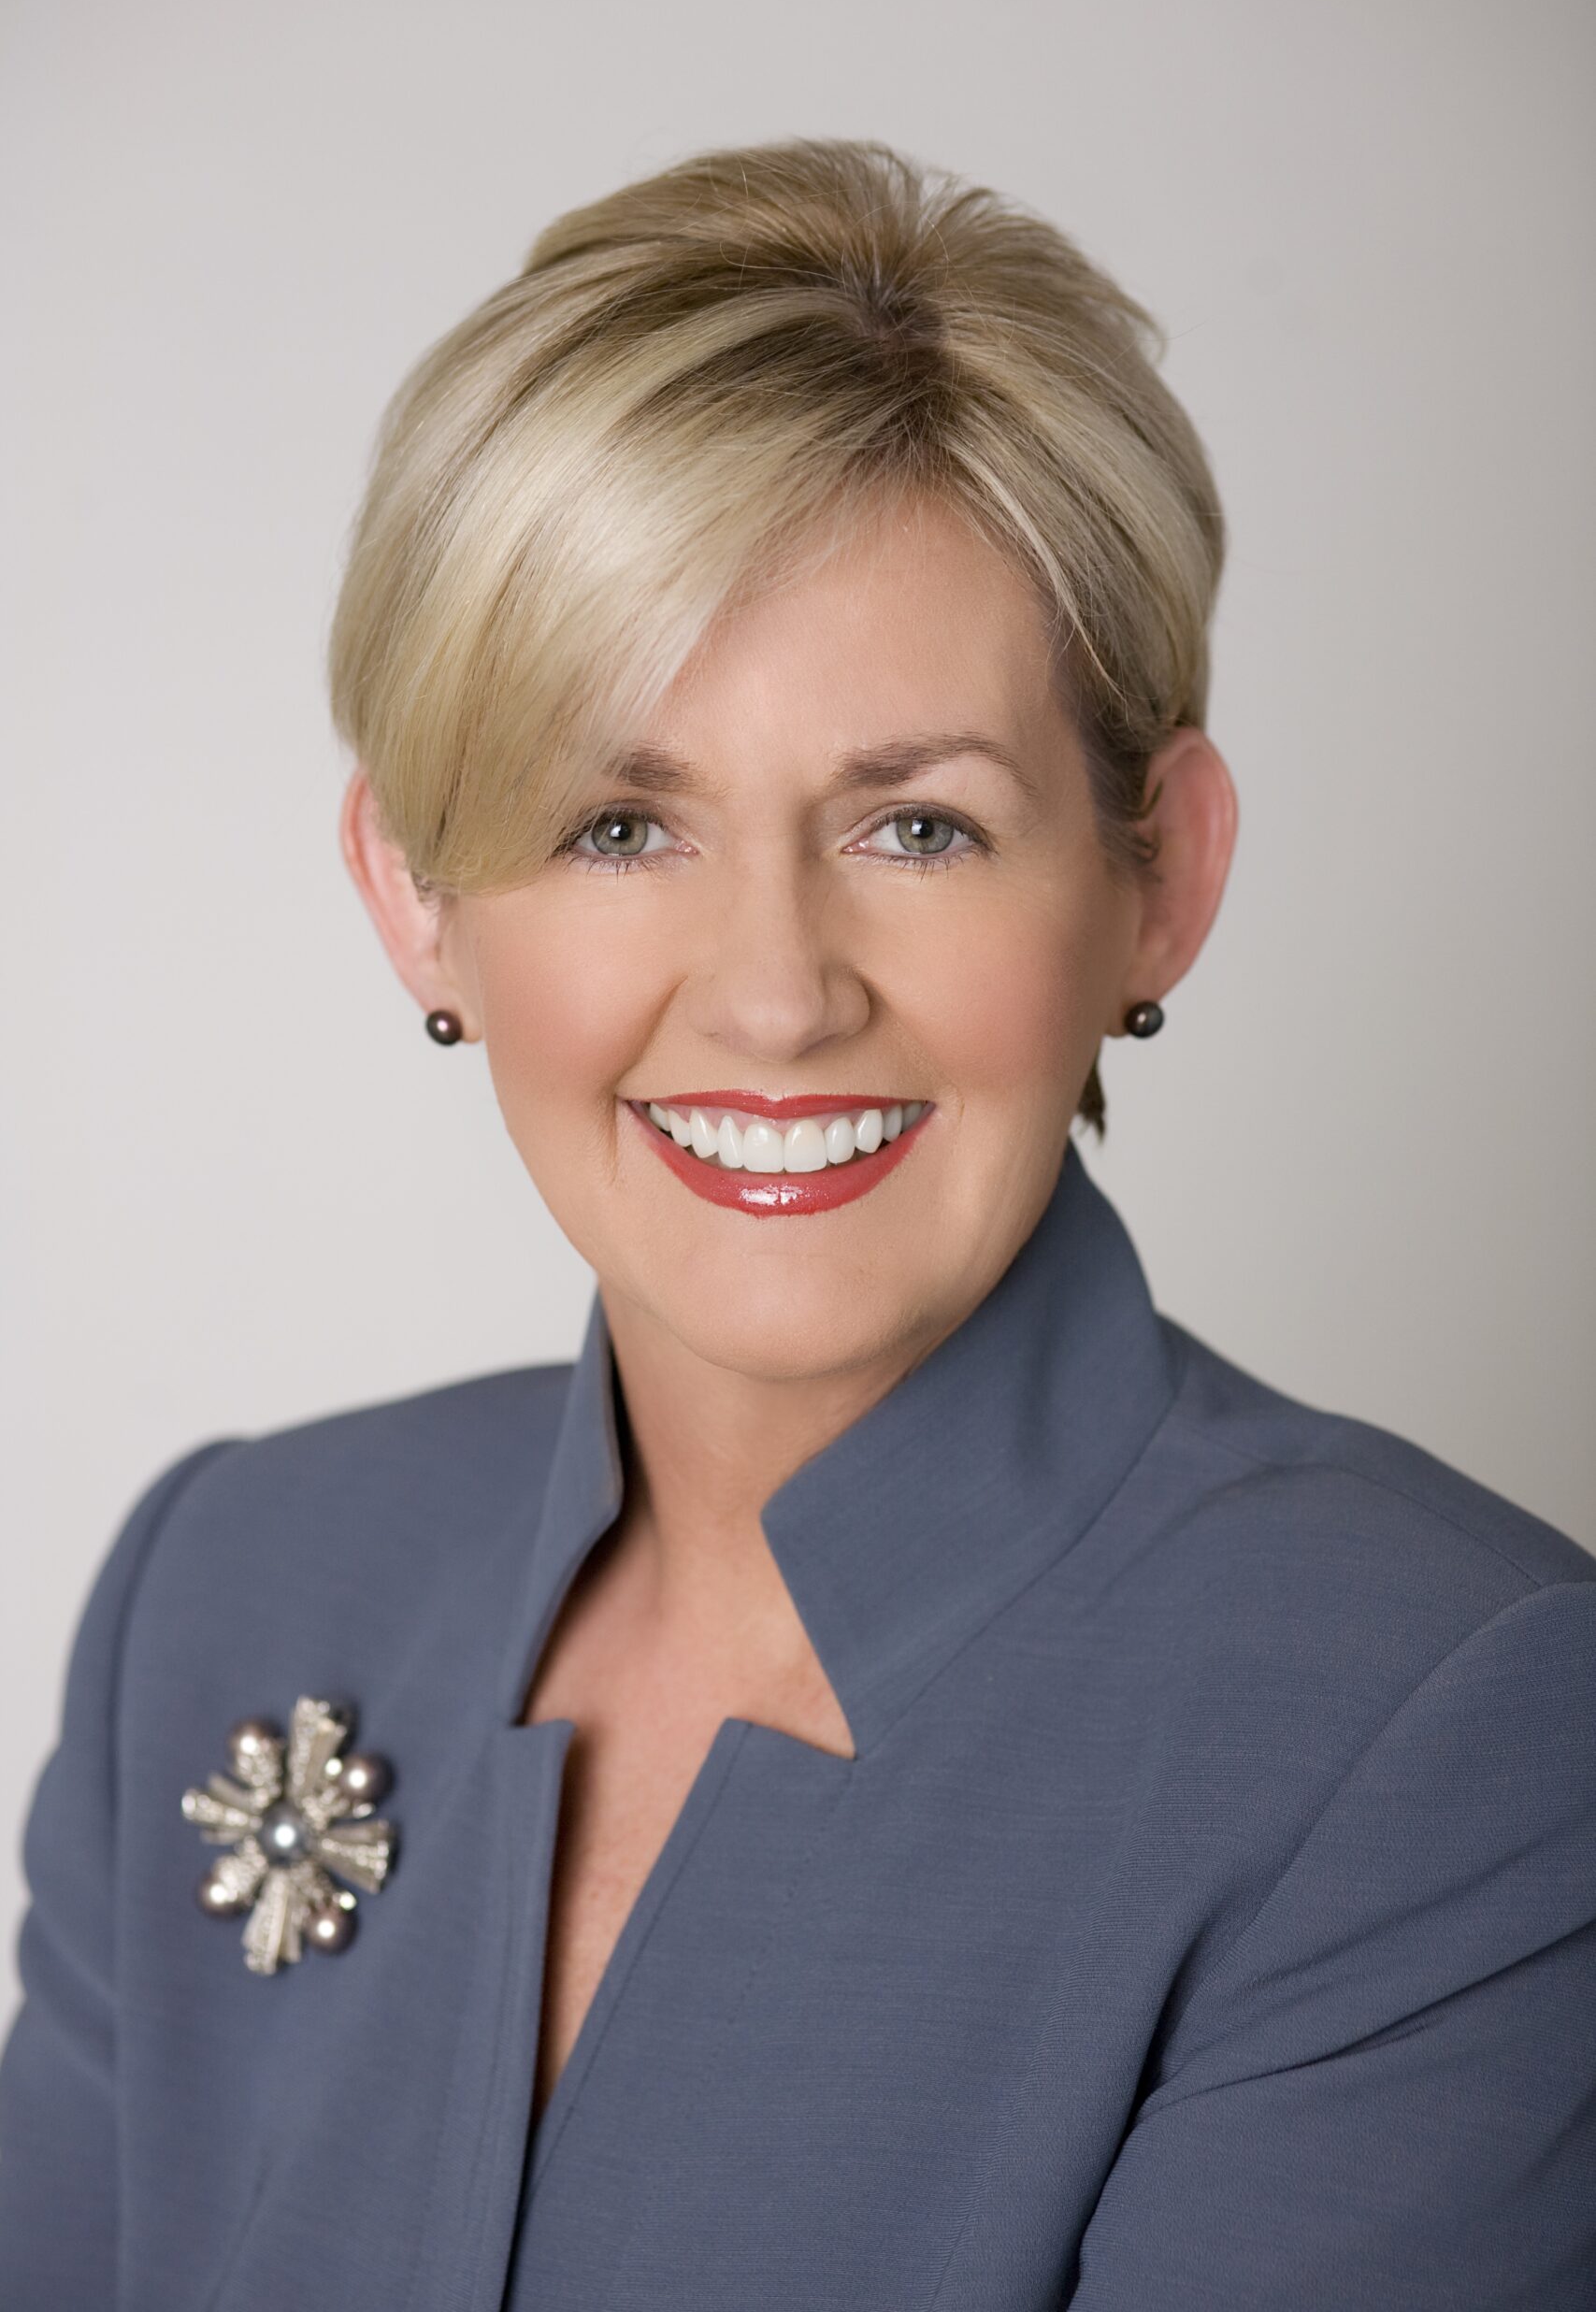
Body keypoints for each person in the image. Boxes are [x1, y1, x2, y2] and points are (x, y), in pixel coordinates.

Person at [1, 136, 1591, 2312]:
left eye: (918, 823)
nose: (772, 991)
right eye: (619, 819)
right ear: (417, 897)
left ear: (1158, 876)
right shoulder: (232, 1582)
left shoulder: (1451, 1727)